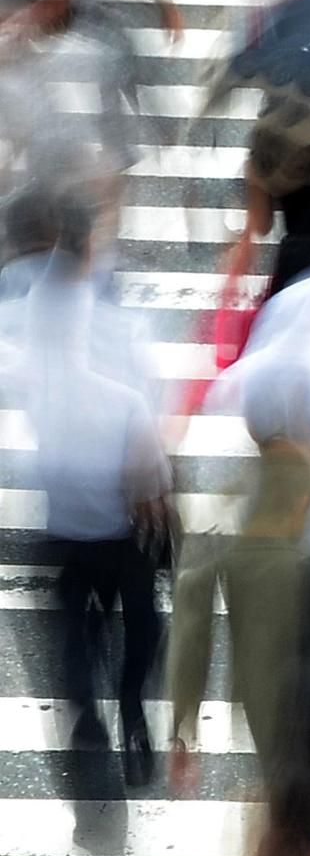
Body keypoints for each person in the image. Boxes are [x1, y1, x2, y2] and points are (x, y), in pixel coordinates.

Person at [9, 189, 167, 819]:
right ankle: (130, 703)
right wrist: (156, 481)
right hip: (119, 512)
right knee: (141, 621)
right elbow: (140, 404)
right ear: (89, 242)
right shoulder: (107, 316)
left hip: (65, 509)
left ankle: (88, 718)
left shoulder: (30, 304)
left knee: (75, 626)